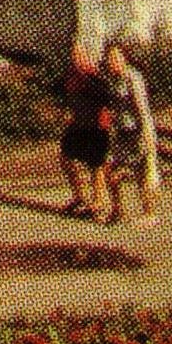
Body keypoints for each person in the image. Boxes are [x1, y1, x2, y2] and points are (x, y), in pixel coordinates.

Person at [99, 41, 161, 226]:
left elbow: (142, 109)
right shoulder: (111, 80)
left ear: (124, 58)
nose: (113, 62)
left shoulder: (133, 78)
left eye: (116, 58)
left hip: (138, 131)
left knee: (144, 172)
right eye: (110, 58)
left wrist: (148, 137)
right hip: (121, 132)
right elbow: (112, 109)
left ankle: (150, 214)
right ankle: (118, 211)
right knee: (110, 169)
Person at [58, 47, 115, 218]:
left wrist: (106, 118)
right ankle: (80, 197)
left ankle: (98, 202)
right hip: (78, 124)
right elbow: (64, 96)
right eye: (74, 57)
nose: (77, 60)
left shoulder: (94, 77)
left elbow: (108, 98)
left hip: (97, 125)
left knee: (95, 164)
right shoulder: (71, 75)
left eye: (80, 57)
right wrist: (67, 111)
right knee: (66, 157)